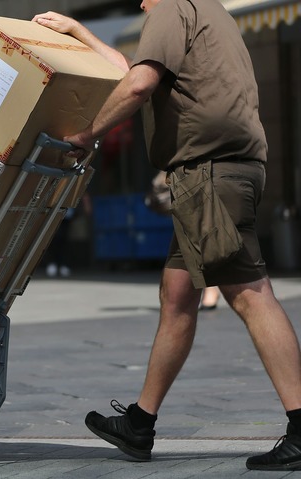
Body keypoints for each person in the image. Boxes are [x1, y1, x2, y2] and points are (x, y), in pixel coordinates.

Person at [33, 0, 301, 471]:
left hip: (208, 176)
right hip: (222, 174)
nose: (138, 2)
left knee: (250, 294)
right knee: (177, 296)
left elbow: (137, 84)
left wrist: (87, 135)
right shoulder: (207, 11)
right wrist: (78, 29)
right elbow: (130, 68)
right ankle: (140, 424)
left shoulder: (170, 8)